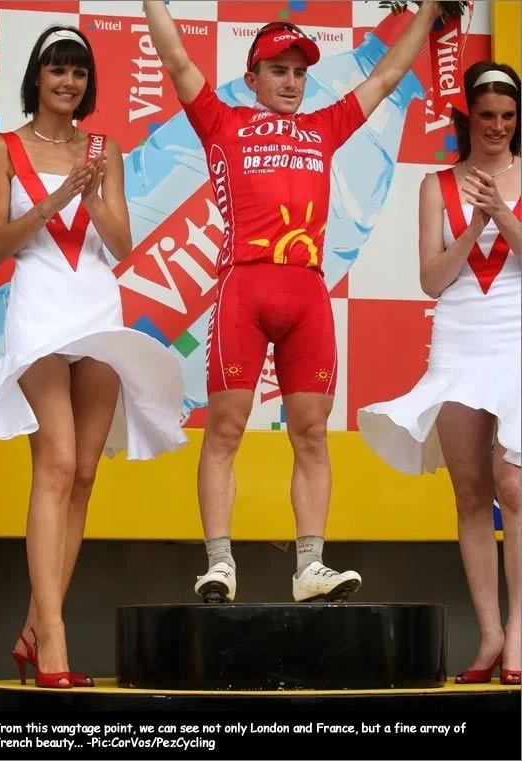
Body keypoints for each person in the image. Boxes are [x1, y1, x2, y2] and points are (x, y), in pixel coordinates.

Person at [143, 0, 444, 604]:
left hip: (307, 293)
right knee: (225, 431)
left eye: (300, 72)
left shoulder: (325, 125)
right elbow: (176, 59)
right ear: (251, 78)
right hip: (244, 290)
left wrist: (432, 8)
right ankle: (219, 565)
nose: (290, 81)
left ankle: (310, 567)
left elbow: (388, 74)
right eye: (277, 70)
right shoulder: (221, 121)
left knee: (311, 434)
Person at [0, 25, 187, 688]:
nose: (68, 81)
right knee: (53, 462)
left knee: (82, 473)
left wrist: (91, 193)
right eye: (57, 69)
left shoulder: (103, 150)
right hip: (40, 310)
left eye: (79, 72)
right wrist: (56, 197)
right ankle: (53, 638)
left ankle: (33, 625)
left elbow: (123, 245)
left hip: (96, 308)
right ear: (37, 77)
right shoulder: (2, 148)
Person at [358, 62, 521, 685]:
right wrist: (474, 225)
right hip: (459, 339)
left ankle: (519, 637)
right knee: (471, 491)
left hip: (515, 336)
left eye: (508, 117)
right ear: (468, 118)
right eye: (487, 116)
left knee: (514, 487)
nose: (498, 127)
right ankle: (490, 633)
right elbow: (431, 279)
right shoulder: (437, 185)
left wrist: (502, 214)